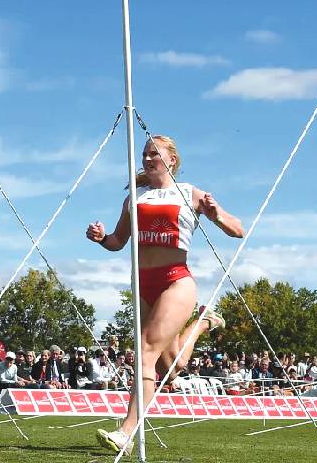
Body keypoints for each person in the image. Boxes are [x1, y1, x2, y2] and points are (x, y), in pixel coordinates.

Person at [87, 134, 243, 453]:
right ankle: (203, 323)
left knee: (144, 351)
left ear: (172, 159)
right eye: (144, 154)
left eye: (153, 154)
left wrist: (216, 215)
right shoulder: (135, 198)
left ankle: (126, 433)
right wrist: (101, 238)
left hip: (176, 281)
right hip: (143, 285)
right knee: (169, 366)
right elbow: (119, 241)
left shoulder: (189, 193)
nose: (147, 159)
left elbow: (238, 229)